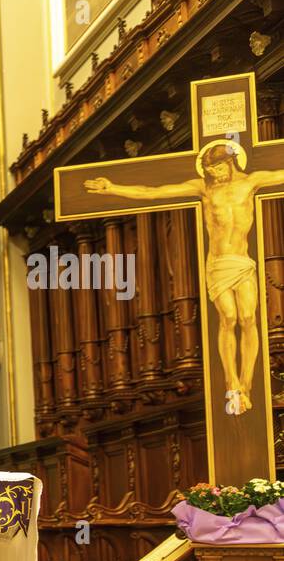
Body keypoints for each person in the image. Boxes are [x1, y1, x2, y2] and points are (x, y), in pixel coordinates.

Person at [84, 139, 284, 414]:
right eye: (210, 169)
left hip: (241, 261)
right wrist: (113, 187)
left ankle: (247, 385)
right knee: (229, 318)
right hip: (217, 264)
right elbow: (153, 192)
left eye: (217, 167)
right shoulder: (203, 189)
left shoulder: (251, 182)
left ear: (230, 162)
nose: (213, 173)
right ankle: (232, 382)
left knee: (249, 319)